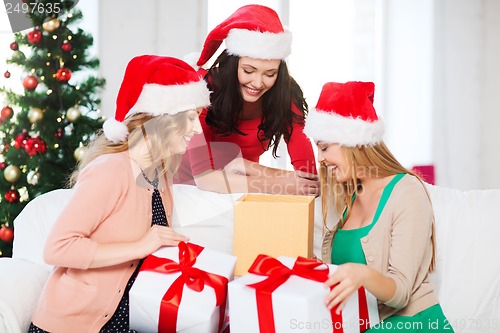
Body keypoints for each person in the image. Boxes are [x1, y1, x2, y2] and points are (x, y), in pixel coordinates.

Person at [28, 55, 211, 333]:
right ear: (160, 120)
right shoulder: (111, 170)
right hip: (74, 324)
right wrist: (142, 245)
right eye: (189, 118)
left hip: (130, 317)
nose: (197, 129)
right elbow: (57, 248)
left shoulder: (161, 176)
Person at [304, 81, 454, 332]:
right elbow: (347, 273)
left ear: (353, 142)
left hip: (413, 324)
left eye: (324, 148)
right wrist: (317, 267)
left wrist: (362, 274)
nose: (320, 158)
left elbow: (401, 293)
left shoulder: (407, 192)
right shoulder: (349, 197)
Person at [176, 4, 319, 196]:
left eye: (270, 73)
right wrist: (278, 182)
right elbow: (204, 178)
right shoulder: (203, 89)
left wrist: (256, 171)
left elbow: (308, 180)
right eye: (248, 71)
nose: (258, 83)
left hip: (242, 187)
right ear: (232, 64)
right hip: (187, 188)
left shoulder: (285, 93)